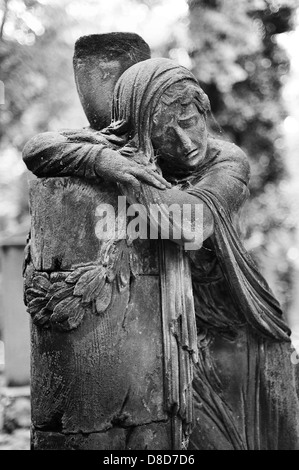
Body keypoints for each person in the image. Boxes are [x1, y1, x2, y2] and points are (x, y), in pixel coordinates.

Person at [23, 57, 299, 449]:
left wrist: (130, 178)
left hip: (235, 325)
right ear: (143, 135)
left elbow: (193, 223)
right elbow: (37, 149)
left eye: (189, 122)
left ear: (204, 110)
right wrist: (100, 159)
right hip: (168, 328)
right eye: (167, 135)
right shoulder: (130, 153)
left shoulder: (227, 160)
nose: (186, 144)